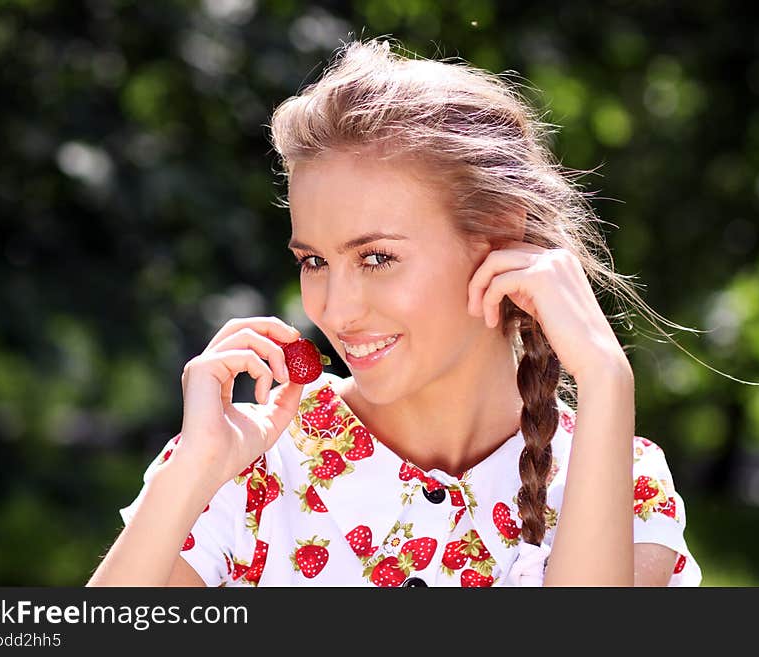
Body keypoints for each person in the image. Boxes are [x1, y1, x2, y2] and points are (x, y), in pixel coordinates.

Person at [87, 38, 702, 587]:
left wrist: (605, 378)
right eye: (314, 262)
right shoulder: (244, 461)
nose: (335, 309)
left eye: (377, 257)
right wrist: (192, 471)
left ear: (498, 235)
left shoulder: (621, 478)